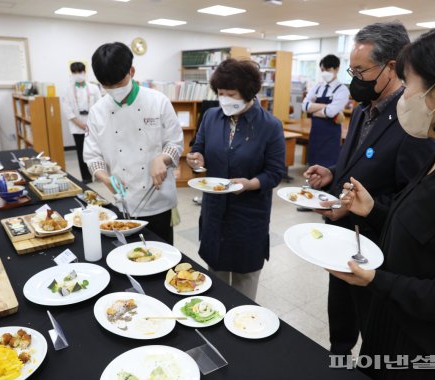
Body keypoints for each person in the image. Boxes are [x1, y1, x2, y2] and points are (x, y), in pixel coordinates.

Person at [331, 20, 435, 379]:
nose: (403, 96)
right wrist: (374, 209)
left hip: (424, 360)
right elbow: (425, 234)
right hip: (388, 338)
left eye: (409, 85)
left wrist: (378, 282)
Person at [304, 22, 435, 356]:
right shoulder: (365, 109)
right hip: (341, 238)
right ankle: (338, 356)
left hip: (378, 250)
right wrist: (332, 173)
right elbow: (360, 161)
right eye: (352, 69)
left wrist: (364, 206)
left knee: (373, 329)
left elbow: (414, 200)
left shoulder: (411, 121)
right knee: (341, 317)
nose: (355, 79)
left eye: (361, 70)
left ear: (391, 67)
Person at [186, 58, 285, 299]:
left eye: (231, 94)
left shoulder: (270, 126)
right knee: (215, 283)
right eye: (221, 93)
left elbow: (275, 172)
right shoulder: (210, 116)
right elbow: (198, 147)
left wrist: (250, 184)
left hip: (248, 215)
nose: (225, 100)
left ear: (249, 93)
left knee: (244, 285)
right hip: (215, 212)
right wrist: (196, 159)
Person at [83, 42, 183, 244]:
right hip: (123, 200)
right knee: (129, 256)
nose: (113, 90)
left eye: (118, 84)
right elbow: (93, 156)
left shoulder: (158, 101)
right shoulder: (97, 111)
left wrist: (162, 158)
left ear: (132, 71)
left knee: (161, 258)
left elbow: (175, 143)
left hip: (158, 198)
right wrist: (106, 178)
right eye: (106, 86)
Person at [301, 54, 350, 167]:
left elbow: (330, 112)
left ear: (337, 69)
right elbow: (304, 106)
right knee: (312, 165)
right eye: (322, 70)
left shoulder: (342, 90)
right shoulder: (317, 87)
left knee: (328, 167)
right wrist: (324, 106)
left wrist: (313, 108)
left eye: (328, 69)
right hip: (315, 133)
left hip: (331, 136)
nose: (324, 73)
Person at [62, 62, 101, 183]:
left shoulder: (94, 88)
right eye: (75, 72)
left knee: (96, 150)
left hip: (93, 125)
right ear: (72, 74)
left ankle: (99, 175)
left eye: (80, 72)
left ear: (85, 72)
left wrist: (90, 124)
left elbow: (100, 106)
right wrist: (80, 124)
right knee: (81, 151)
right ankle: (86, 177)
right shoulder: (68, 90)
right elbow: (67, 109)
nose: (78, 74)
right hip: (77, 126)